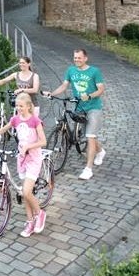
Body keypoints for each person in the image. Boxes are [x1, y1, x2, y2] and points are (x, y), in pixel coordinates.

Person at [0, 93, 47, 237]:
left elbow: (43, 141)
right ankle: (30, 221)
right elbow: (3, 129)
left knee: (26, 191)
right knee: (25, 193)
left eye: (21, 106)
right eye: (17, 106)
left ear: (29, 106)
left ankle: (40, 213)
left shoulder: (35, 121)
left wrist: (29, 147)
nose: (18, 108)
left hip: (33, 159)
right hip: (22, 159)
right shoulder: (16, 119)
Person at [44, 48, 106, 180]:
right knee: (89, 136)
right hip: (79, 107)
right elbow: (64, 86)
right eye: (75, 58)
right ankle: (100, 151)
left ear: (85, 58)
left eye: (79, 57)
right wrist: (52, 93)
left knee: (89, 136)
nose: (77, 60)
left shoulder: (94, 71)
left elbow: (101, 89)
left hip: (93, 107)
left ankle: (88, 169)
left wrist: (89, 96)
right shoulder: (71, 71)